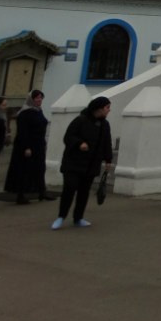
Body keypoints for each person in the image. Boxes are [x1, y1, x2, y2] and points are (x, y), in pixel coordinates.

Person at [52, 96, 113, 229]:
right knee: (69, 188)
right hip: (73, 163)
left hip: (91, 164)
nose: (109, 110)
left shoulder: (104, 124)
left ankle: (78, 218)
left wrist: (108, 159)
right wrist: (79, 143)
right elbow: (68, 137)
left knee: (84, 192)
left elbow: (106, 142)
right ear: (100, 108)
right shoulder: (81, 120)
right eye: (107, 107)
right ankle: (61, 216)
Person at [4, 90, 50, 204]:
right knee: (24, 169)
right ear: (31, 99)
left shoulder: (38, 111)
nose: (39, 100)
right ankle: (21, 194)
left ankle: (41, 192)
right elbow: (23, 132)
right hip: (27, 145)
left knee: (40, 168)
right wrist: (27, 147)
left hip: (39, 144)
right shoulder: (24, 113)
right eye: (37, 98)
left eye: (41, 98)